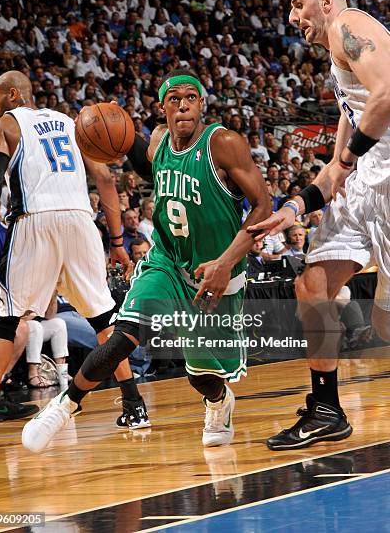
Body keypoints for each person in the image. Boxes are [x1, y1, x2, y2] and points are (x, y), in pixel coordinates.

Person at [22, 68, 270, 453]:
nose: (183, 105)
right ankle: (64, 405)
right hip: (167, 261)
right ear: (163, 108)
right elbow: (148, 164)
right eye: (174, 99)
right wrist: (110, 132)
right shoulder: (159, 142)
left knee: (202, 375)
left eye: (191, 97)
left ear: (202, 103)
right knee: (125, 334)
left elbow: (263, 205)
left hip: (215, 271)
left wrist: (224, 263)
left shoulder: (223, 143)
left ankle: (218, 402)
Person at [249, 0, 390, 450]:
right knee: (311, 285)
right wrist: (293, 208)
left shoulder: (351, 24)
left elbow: (388, 92)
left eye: (297, 5)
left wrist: (353, 158)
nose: (292, 17)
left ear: (325, 1)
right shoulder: (339, 67)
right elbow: (334, 171)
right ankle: (327, 409)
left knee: (385, 324)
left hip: (388, 183)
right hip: (362, 190)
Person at [0, 71, 147, 450]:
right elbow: (105, 180)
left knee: (6, 322)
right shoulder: (73, 123)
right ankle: (135, 405)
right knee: (105, 319)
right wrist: (118, 240)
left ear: (11, 94)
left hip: (34, 220)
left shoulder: (3, 125)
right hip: (80, 221)